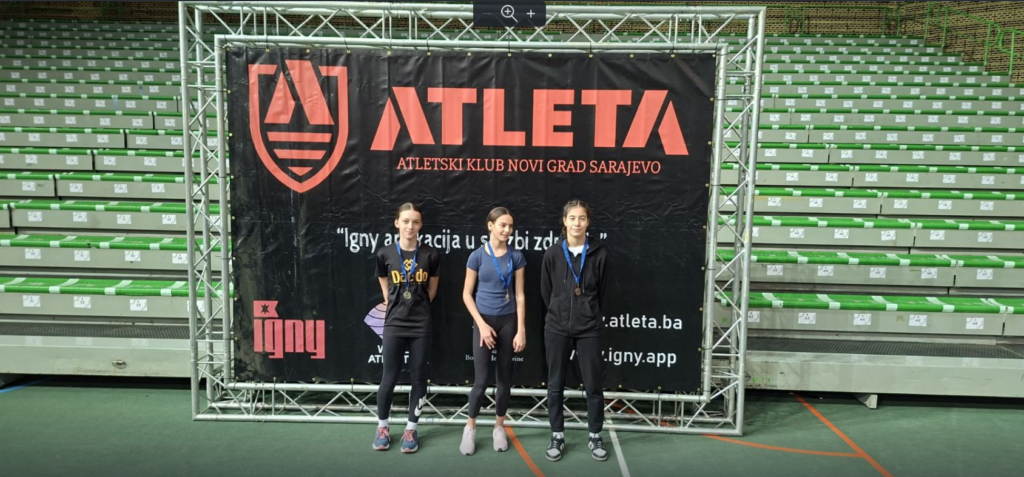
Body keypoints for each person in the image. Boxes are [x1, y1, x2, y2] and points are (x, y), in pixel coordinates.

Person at [540, 199, 610, 462]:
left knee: (593, 384)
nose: (577, 223)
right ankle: (557, 435)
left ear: (588, 222)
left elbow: (603, 292)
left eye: (582, 218)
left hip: (589, 327)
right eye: (572, 218)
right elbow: (546, 292)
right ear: (564, 221)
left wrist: (588, 311)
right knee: (555, 384)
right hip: (556, 327)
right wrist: (559, 309)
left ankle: (595, 434)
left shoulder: (600, 254)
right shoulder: (552, 253)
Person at [372, 202, 440, 454]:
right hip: (394, 323)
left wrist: (417, 305)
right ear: (397, 223)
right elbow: (384, 283)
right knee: (388, 377)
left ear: (421, 225)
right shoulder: (385, 253)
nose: (410, 226)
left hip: (421, 323)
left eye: (415, 222)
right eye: (406, 221)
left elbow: (432, 290)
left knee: (418, 377)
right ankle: (382, 427)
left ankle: (411, 429)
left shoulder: (431, 254)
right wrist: (394, 302)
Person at [459, 207, 527, 456]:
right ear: (490, 226)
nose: (507, 230)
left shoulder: (516, 256)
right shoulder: (476, 256)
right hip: (483, 322)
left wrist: (521, 330)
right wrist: (481, 324)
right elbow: (467, 295)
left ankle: (499, 427)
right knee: (481, 381)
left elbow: (520, 295)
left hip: (508, 322)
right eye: (502, 225)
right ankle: (470, 427)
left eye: (510, 226)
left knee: (504, 380)